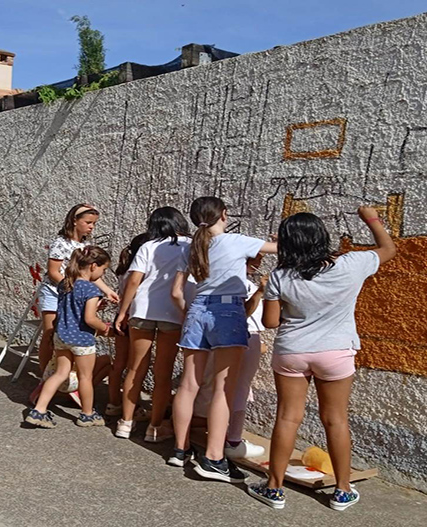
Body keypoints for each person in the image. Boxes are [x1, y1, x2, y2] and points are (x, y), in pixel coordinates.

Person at [248, 207, 395, 511]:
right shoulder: (351, 264)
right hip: (336, 352)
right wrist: (370, 218)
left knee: (288, 418)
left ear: (288, 243)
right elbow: (389, 249)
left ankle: (274, 489)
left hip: (293, 352)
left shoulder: (279, 277)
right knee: (336, 419)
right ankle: (342, 490)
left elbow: (272, 323)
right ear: (321, 238)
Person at [169, 196, 277, 480]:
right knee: (224, 387)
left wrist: (188, 316)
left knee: (189, 383)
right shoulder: (236, 241)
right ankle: (213, 457)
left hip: (197, 309)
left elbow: (177, 293)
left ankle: (179, 451)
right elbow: (278, 248)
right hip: (228, 310)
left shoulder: (193, 247)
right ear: (223, 215)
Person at [114, 207, 193, 442]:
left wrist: (123, 312)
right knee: (163, 372)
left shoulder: (149, 246)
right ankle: (155, 427)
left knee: (135, 368)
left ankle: (125, 423)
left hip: (144, 308)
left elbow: (134, 280)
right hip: (174, 312)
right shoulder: (190, 245)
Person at [192, 255, 268, 460]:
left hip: (222, 336)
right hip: (243, 335)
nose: (258, 263)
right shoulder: (239, 284)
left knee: (219, 388)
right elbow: (243, 312)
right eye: (254, 258)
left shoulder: (219, 281)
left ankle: (220, 438)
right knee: (238, 389)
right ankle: (232, 441)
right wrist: (260, 293)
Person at [25, 246, 112, 428]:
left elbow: (72, 309)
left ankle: (39, 410)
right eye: (103, 270)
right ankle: (87, 414)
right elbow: (89, 319)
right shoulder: (91, 290)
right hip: (81, 340)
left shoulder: (65, 284)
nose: (102, 274)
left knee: (60, 373)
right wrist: (105, 329)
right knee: (85, 377)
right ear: (93, 266)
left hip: (61, 337)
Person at [37, 204, 118, 379]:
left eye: (94, 223)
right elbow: (53, 271)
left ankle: (64, 374)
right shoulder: (60, 243)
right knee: (51, 333)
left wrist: (108, 290)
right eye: (88, 222)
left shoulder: (86, 245)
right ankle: (44, 376)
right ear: (75, 221)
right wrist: (70, 287)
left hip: (72, 294)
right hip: (54, 292)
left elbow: (92, 274)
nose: (91, 227)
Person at [105, 232, 150, 418]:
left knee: (119, 364)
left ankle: (113, 403)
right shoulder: (139, 273)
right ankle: (132, 407)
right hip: (135, 319)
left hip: (120, 319)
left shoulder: (124, 270)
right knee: (135, 367)